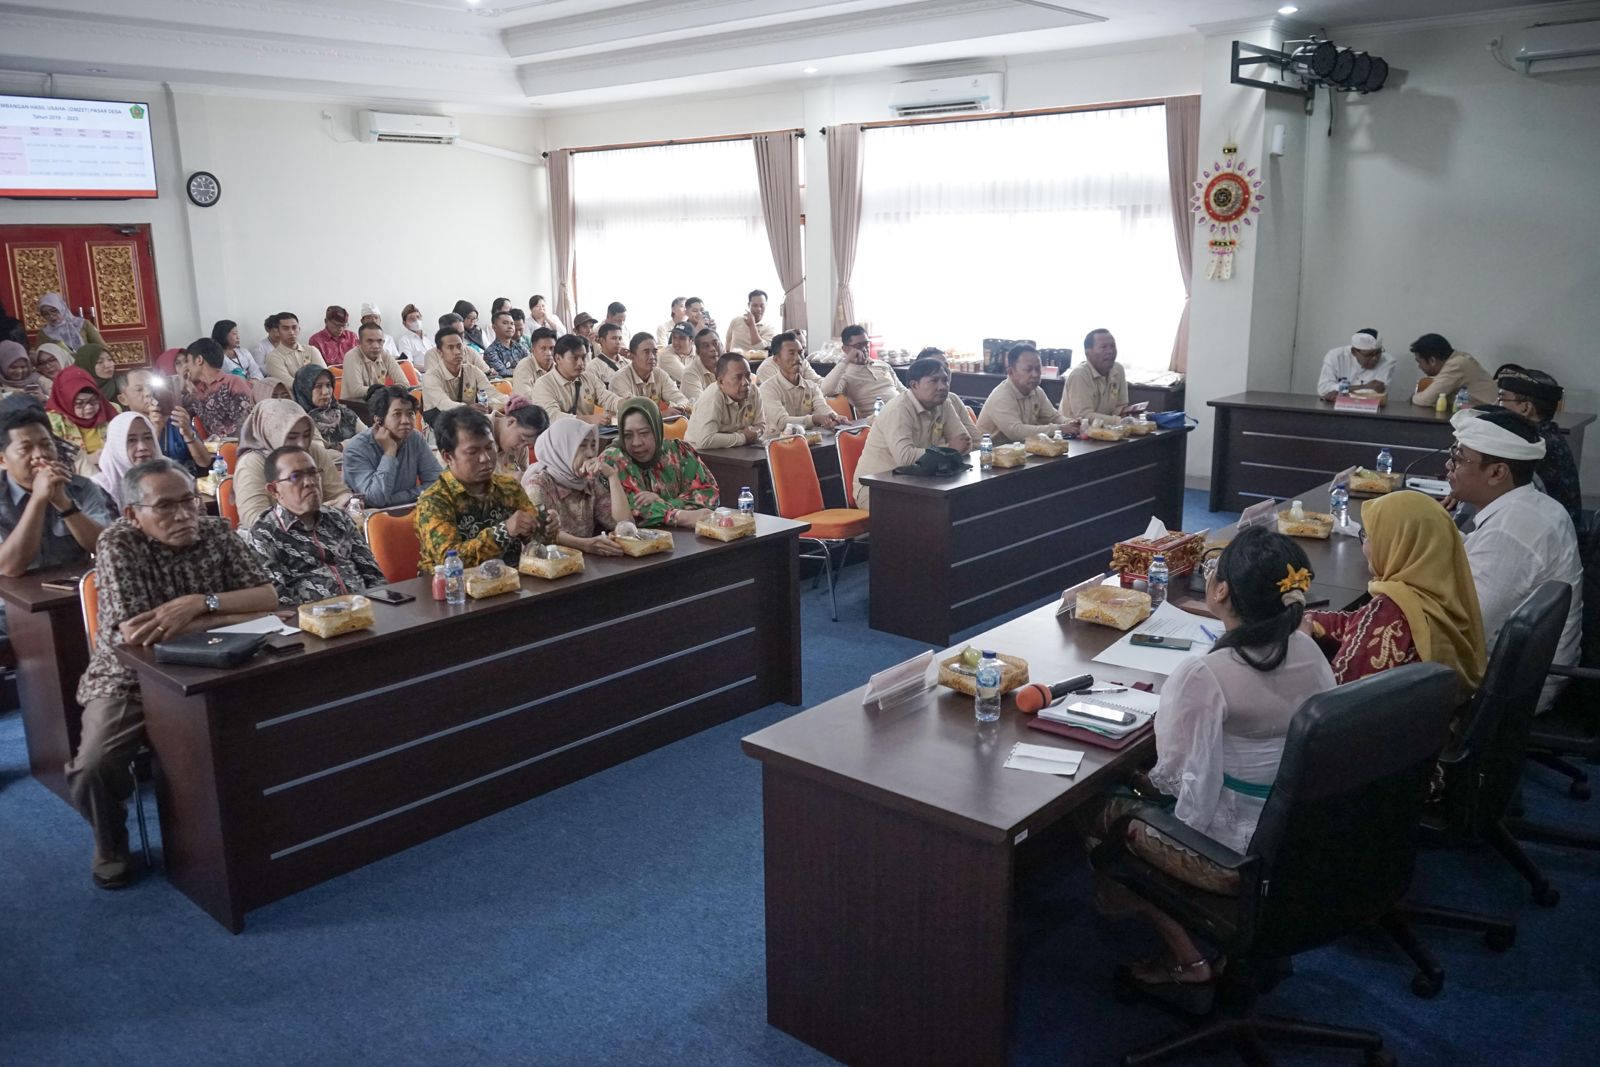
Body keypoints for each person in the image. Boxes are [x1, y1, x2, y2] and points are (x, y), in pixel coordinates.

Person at [1081, 527, 1336, 994]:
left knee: (1098, 806)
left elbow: (1176, 780)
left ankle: (1189, 956)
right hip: (1303, 835)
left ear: (1220, 591)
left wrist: (1136, 779)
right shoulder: (1307, 648)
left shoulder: (1206, 673)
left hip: (1235, 854)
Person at [67, 457, 278, 887]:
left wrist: (200, 604)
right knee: (95, 764)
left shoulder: (217, 531)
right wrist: (232, 613)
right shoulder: (118, 543)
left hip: (220, 664)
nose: (183, 515)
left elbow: (268, 598)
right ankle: (111, 841)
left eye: (188, 501)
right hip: (130, 678)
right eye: (165, 506)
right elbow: (136, 634)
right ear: (133, 515)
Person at [1448, 407, 1582, 710]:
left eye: (1459, 458)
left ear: (1497, 472)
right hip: (1523, 670)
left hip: (1506, 691)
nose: (1449, 465)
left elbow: (1464, 628)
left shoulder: (1511, 531)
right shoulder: (1530, 504)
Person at [1304, 491, 1486, 698]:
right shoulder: (1447, 592)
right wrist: (1308, 620)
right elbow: (1359, 623)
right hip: (1441, 711)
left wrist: (1302, 644)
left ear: (1397, 544)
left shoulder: (1391, 610)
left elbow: (1338, 692)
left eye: (1369, 536)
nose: (1365, 544)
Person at [413, 407, 558, 573]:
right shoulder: (433, 501)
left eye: (489, 447)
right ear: (448, 457)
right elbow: (450, 560)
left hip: (509, 581)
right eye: (473, 452)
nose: (486, 458)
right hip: (454, 586)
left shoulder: (509, 488)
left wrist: (546, 528)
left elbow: (535, 543)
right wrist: (504, 531)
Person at [243, 445, 387, 606]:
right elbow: (279, 601)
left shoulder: (338, 518)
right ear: (274, 490)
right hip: (311, 617)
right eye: (295, 476)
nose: (309, 482)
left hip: (364, 609)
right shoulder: (265, 534)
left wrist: (380, 607)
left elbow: (374, 576)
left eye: (313, 473)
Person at [0, 402, 116, 587]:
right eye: (25, 449)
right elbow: (9, 567)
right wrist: (38, 499)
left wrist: (64, 503)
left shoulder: (81, 487)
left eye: (46, 445)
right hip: (13, 601)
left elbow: (107, 549)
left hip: (74, 595)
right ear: (2, 460)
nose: (40, 454)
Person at [851, 357, 972, 510]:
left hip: (918, 481)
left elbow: (965, 442)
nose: (942, 387)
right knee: (936, 511)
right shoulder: (899, 409)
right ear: (914, 385)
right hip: (877, 488)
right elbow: (905, 457)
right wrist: (948, 451)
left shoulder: (943, 404)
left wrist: (945, 452)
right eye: (934, 381)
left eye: (945, 380)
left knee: (962, 503)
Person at [233, 399, 352, 528]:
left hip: (320, 528)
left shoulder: (313, 451)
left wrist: (341, 504)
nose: (301, 444)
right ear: (271, 434)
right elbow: (255, 520)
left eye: (306, 435)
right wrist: (317, 514)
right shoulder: (252, 463)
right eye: (291, 437)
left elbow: (340, 494)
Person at [601, 398, 718, 528]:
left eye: (644, 433)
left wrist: (664, 502)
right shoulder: (614, 459)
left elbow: (709, 494)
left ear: (657, 429)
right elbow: (635, 511)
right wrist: (681, 516)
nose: (636, 442)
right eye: (628, 435)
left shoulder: (678, 451)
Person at [520, 418, 624, 555]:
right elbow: (538, 532)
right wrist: (584, 544)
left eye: (593, 445)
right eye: (582, 446)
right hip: (550, 562)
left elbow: (624, 525)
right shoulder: (539, 484)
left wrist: (612, 476)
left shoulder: (590, 482)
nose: (591, 454)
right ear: (561, 448)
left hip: (584, 562)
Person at [1493, 365, 1580, 521]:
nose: (1495, 404)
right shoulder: (1547, 435)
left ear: (1526, 408)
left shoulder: (1532, 447)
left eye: (1501, 399)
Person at [342, 385, 440, 508]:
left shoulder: (415, 438)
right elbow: (375, 499)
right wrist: (389, 452)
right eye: (397, 414)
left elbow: (437, 484)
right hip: (370, 516)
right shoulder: (355, 449)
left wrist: (394, 499)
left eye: (410, 414)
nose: (405, 421)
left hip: (409, 511)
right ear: (378, 420)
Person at [115, 369, 211, 475]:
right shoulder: (122, 429)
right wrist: (155, 431)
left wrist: (188, 434)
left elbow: (205, 462)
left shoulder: (175, 419)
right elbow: (136, 473)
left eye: (150, 387)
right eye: (139, 389)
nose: (147, 393)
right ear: (123, 399)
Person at [976, 343, 1075, 444]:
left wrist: (1070, 423)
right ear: (1010, 372)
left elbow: (1054, 417)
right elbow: (1016, 432)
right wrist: (1060, 429)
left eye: (1038, 369)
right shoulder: (1001, 396)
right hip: (990, 451)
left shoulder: (1037, 391)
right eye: (1028, 369)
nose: (1035, 374)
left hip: (1019, 449)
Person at [528, 334, 620, 426]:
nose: (581, 363)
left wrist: (623, 404)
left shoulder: (589, 378)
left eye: (583, 357)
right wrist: (589, 419)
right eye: (574, 358)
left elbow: (608, 398)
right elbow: (552, 417)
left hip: (587, 433)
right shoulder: (544, 384)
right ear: (558, 358)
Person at [759, 332, 840, 434]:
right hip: (776, 441)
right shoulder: (767, 389)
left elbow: (823, 408)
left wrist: (834, 417)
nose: (798, 358)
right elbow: (782, 422)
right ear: (776, 359)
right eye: (791, 353)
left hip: (808, 439)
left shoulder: (812, 387)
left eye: (800, 352)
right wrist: (813, 419)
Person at [176, 337, 255, 439]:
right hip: (213, 447)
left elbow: (246, 425)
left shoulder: (233, 383)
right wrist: (183, 386)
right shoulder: (196, 391)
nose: (186, 367)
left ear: (199, 360)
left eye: (188, 361)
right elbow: (177, 417)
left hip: (239, 445)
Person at [821, 323, 903, 418]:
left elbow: (902, 390)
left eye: (866, 344)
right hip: (878, 420)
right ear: (845, 349)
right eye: (858, 346)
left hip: (902, 411)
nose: (864, 349)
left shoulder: (883, 365)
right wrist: (847, 360)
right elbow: (825, 390)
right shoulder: (845, 374)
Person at [44, 366, 115, 474]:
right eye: (80, 403)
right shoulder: (53, 422)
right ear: (65, 401)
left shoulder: (109, 411)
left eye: (94, 401)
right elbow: (52, 461)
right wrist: (87, 460)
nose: (89, 407)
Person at [686, 352, 762, 450]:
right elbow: (705, 440)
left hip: (736, 451)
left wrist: (756, 432)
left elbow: (760, 424)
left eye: (748, 376)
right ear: (721, 382)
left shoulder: (753, 391)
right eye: (738, 378)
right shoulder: (713, 397)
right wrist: (743, 438)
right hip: (700, 454)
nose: (746, 382)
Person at [423, 328, 502, 418]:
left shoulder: (473, 371)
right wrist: (468, 409)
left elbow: (492, 393)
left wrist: (510, 402)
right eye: (450, 347)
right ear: (440, 352)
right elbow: (443, 403)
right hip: (441, 422)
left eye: (459, 346)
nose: (457, 352)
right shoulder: (431, 376)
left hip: (468, 419)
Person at [1061, 328, 1136, 419]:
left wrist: (1129, 414)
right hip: (1077, 427)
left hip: (1109, 427)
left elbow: (1120, 407)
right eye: (1104, 347)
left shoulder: (1118, 370)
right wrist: (1118, 421)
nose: (1110, 351)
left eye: (1113, 346)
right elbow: (1084, 416)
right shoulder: (1079, 375)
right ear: (1088, 353)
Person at [609, 332, 691, 415]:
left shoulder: (660, 374)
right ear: (631, 356)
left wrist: (680, 407)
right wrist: (662, 415)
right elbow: (634, 413)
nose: (652, 357)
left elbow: (681, 399)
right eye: (646, 352)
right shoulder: (619, 379)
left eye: (654, 352)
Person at [92, 411, 160, 508]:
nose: (142, 447)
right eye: (131, 440)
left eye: (148, 438)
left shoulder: (171, 474)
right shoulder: (100, 488)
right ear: (116, 446)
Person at [1409, 333, 1495, 408]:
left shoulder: (1456, 365)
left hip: (1486, 415)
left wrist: (1413, 398)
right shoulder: (1459, 358)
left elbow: (1426, 400)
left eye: (1420, 362)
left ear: (1432, 360)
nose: (1419, 367)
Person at [293, 366, 365, 450]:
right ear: (304, 390)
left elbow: (369, 437)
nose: (325, 392)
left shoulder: (345, 414)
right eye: (318, 386)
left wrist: (341, 446)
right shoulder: (302, 422)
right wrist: (356, 443)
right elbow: (321, 454)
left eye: (328, 385)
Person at [1316, 329, 1392, 400]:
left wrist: (1340, 390)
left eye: (1378, 352)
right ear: (1354, 352)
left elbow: (1375, 394)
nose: (1375, 358)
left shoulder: (1388, 361)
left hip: (1369, 408)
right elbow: (1323, 389)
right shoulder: (1335, 356)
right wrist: (1364, 387)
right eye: (1369, 355)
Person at [341, 321, 408, 400]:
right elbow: (356, 391)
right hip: (353, 405)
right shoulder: (352, 356)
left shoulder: (385, 355)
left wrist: (383, 391)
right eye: (370, 341)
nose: (376, 346)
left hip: (378, 403)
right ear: (359, 343)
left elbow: (404, 384)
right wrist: (387, 390)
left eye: (379, 341)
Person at [264, 311, 327, 387]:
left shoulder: (311, 350)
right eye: (285, 328)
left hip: (320, 392)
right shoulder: (273, 357)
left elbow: (325, 376)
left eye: (294, 328)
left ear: (299, 329)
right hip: (293, 394)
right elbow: (290, 384)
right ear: (277, 332)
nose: (291, 332)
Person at [491, 398, 548, 478]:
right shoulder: (475, 431)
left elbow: (525, 480)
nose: (520, 447)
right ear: (511, 422)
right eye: (522, 439)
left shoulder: (522, 450)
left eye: (527, 445)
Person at [37, 293, 102, 352]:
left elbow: (102, 347)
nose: (51, 316)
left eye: (54, 311)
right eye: (46, 314)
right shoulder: (44, 333)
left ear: (62, 308)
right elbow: (40, 355)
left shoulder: (82, 324)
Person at [725, 289, 775, 356]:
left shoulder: (769, 328)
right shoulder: (736, 320)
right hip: (734, 360)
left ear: (766, 305)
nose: (759, 309)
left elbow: (761, 349)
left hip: (757, 362)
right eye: (755, 305)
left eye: (762, 305)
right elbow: (728, 342)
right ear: (749, 305)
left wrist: (752, 325)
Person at [511, 327, 557, 399]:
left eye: (552, 348)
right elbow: (525, 398)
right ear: (533, 350)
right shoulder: (524, 367)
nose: (548, 353)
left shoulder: (559, 367)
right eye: (543, 348)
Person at [680, 328, 721, 402]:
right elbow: (702, 404)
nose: (712, 349)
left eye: (715, 344)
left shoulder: (730, 366)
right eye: (706, 346)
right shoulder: (690, 374)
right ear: (698, 352)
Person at [482, 309, 524, 378]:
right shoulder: (491, 352)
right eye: (505, 323)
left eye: (512, 323)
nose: (510, 326)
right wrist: (525, 370)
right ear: (494, 327)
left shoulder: (519, 347)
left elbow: (532, 363)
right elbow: (503, 373)